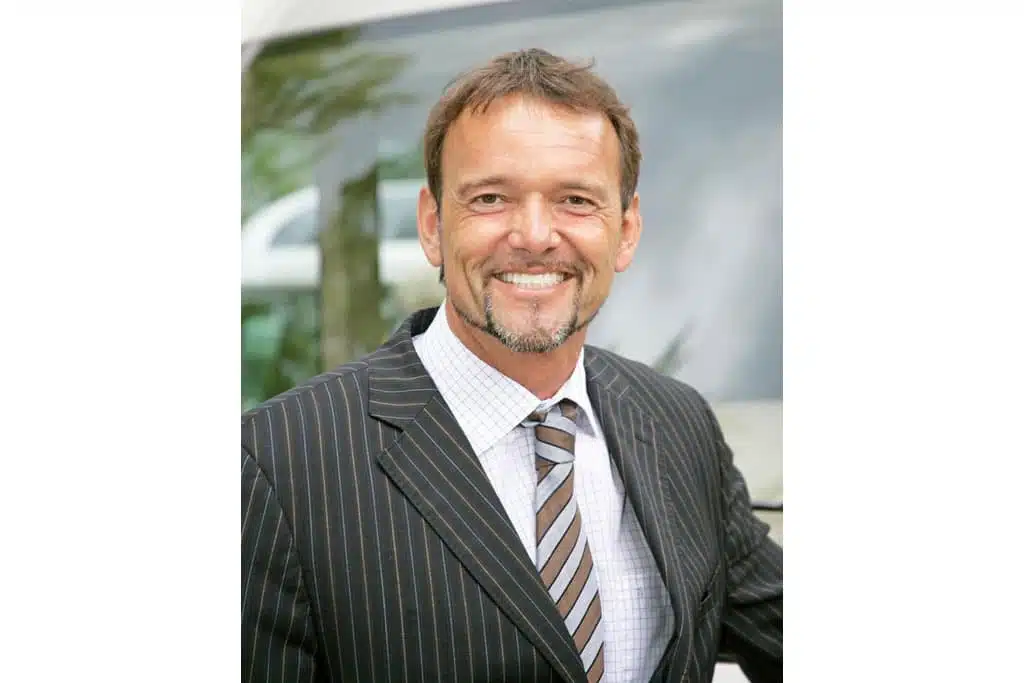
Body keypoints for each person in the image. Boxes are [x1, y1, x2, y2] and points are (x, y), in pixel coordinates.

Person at [242, 48, 782, 683]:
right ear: (432, 225)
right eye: (491, 198)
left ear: (627, 230)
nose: (534, 235)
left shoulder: (678, 424)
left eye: (575, 200)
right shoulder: (275, 463)